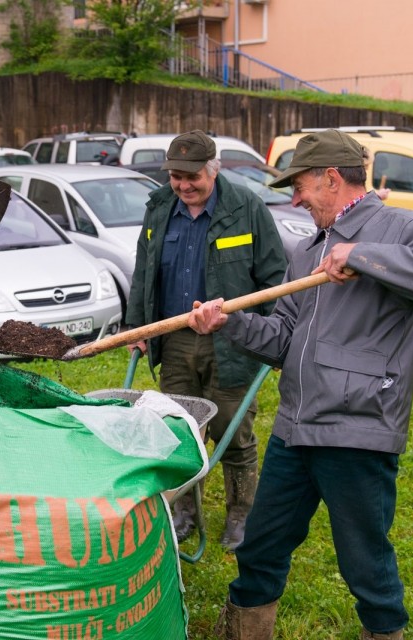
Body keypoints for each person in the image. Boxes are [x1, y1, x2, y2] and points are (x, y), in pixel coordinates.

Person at [188, 129, 413, 640]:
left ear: (331, 177)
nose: (294, 199)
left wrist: (363, 255)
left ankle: (384, 632)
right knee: (260, 546)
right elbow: (282, 340)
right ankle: (244, 630)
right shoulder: (309, 251)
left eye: (299, 185)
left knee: (364, 562)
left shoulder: (399, 228)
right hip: (295, 428)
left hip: (357, 428)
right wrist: (228, 323)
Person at [125, 130, 287, 551]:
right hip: (175, 339)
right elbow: (144, 273)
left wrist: (273, 338)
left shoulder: (246, 208)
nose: (183, 185)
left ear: (213, 170)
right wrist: (136, 328)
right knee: (179, 431)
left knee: (232, 432)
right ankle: (185, 512)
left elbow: (274, 279)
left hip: (234, 343)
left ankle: (240, 514)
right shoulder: (160, 208)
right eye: (175, 176)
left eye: (191, 176)